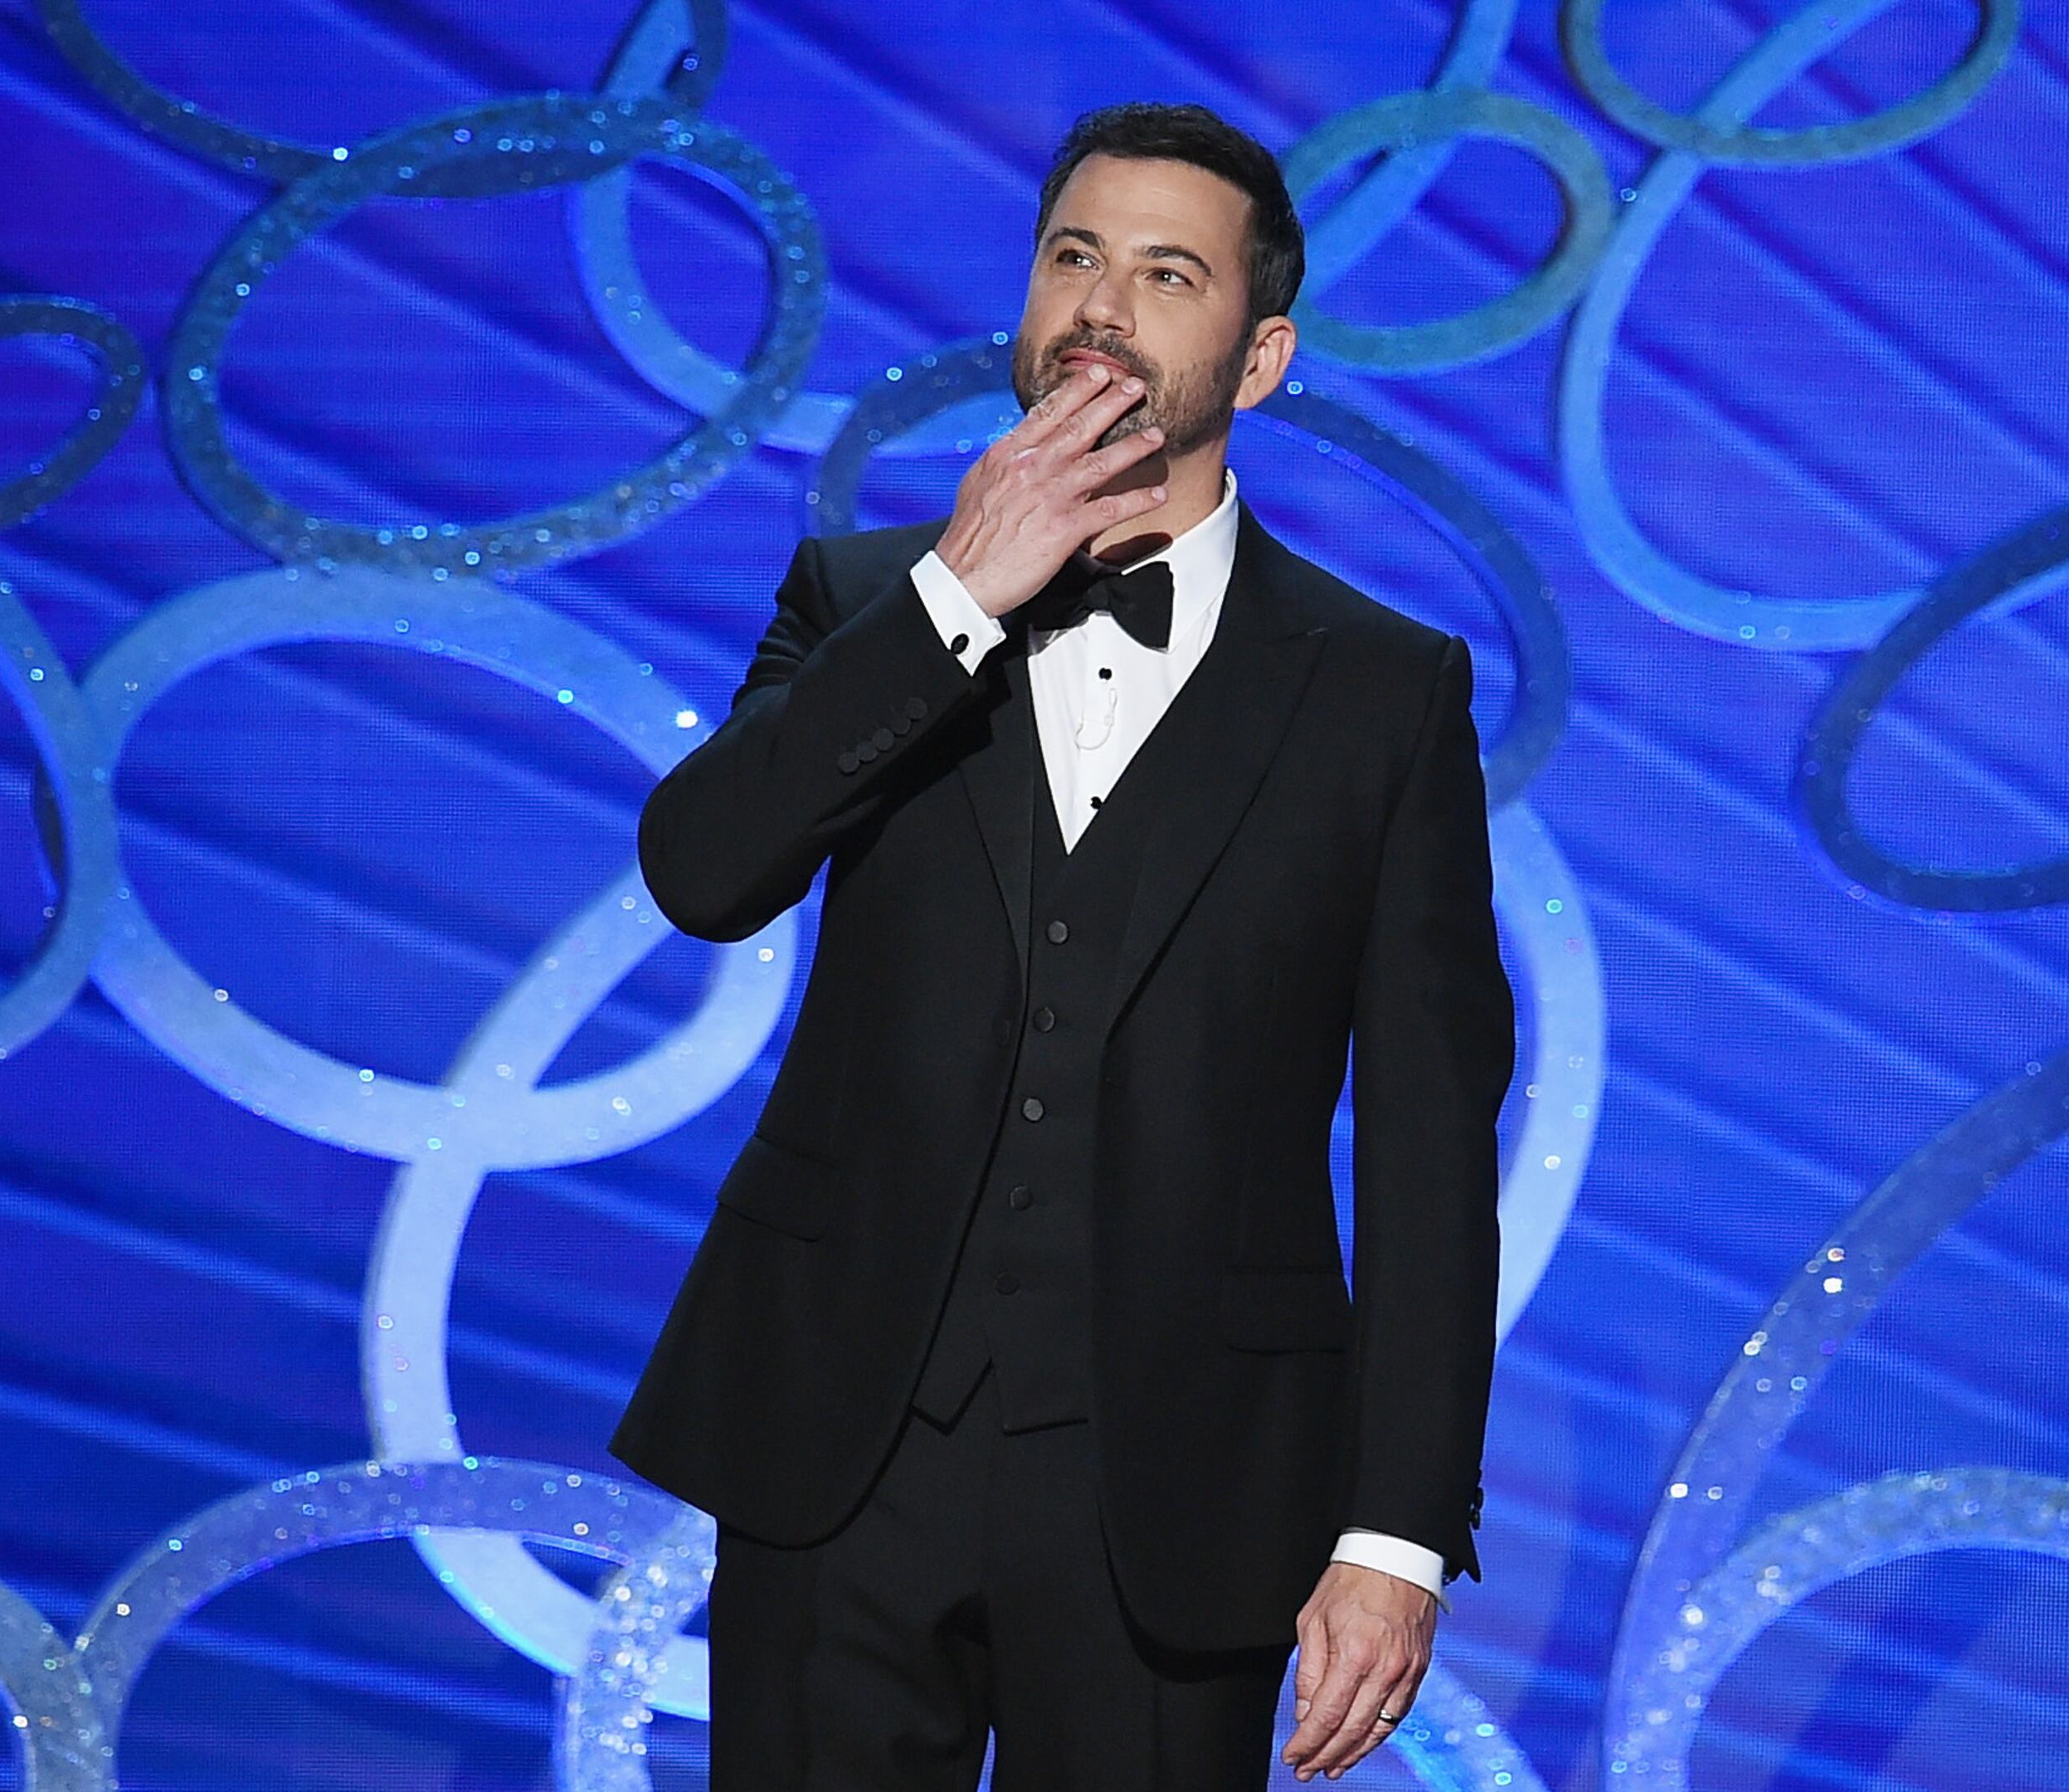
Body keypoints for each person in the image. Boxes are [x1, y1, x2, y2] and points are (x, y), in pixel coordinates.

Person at [611, 100, 1515, 1790]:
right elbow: (700, 869)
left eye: (1167, 275)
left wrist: (1395, 1530)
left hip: (1182, 1479)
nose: (1101, 305)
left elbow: (1425, 1133)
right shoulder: (867, 596)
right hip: (838, 1442)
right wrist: (959, 594)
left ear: (1256, 359)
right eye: (1073, 258)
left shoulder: (1382, 695)